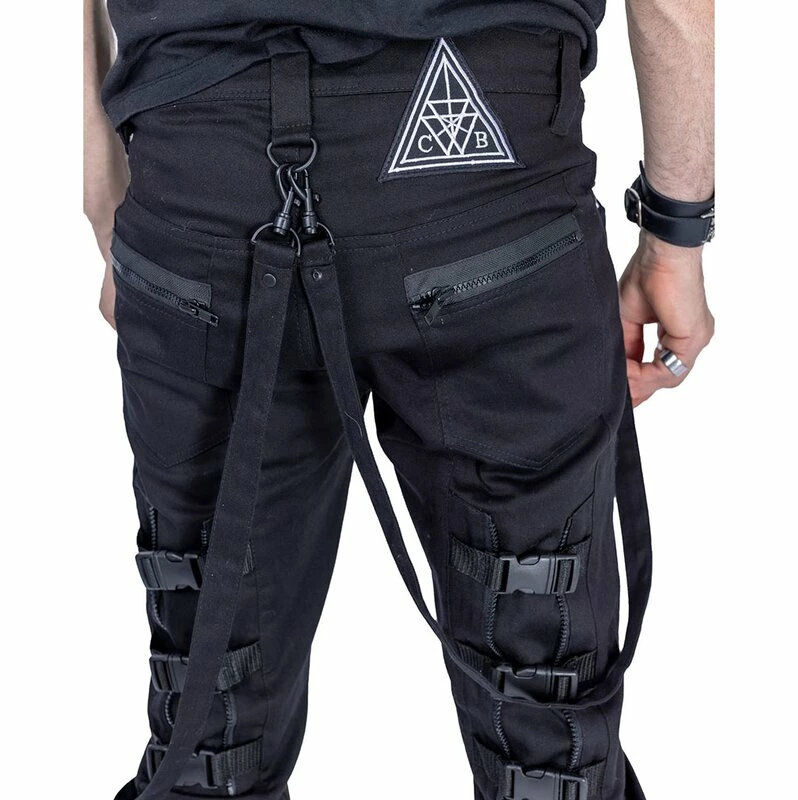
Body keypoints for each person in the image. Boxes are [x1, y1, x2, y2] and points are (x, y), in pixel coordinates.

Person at [83, 1, 714, 798]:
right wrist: (675, 231)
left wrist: (110, 200)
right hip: (491, 185)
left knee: (210, 736)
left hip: (201, 174)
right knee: (547, 741)